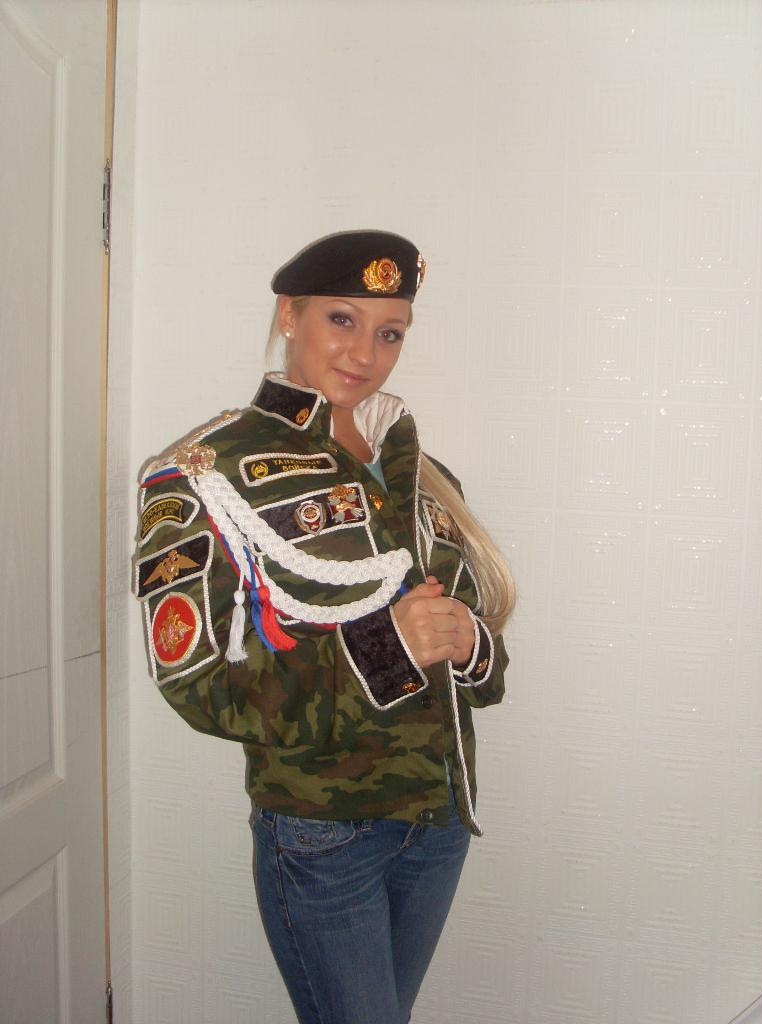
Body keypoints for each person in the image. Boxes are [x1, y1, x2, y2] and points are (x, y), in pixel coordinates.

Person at [133, 229, 515, 1024]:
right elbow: (198, 687)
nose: (365, 354)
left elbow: (480, 667)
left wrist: (470, 643)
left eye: (390, 333)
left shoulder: (421, 473)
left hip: (439, 816)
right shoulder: (205, 471)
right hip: (324, 831)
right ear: (289, 315)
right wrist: (387, 648)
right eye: (342, 319)